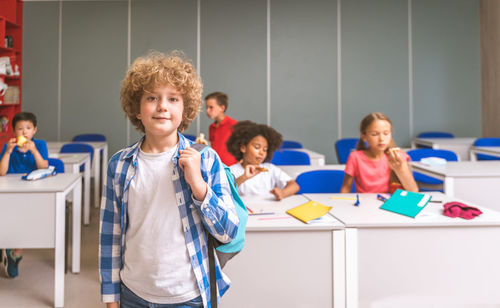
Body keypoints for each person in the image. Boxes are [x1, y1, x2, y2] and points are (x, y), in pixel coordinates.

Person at [99, 51, 239, 308]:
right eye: (152, 98)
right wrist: (111, 298)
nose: (162, 105)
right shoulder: (119, 164)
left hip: (189, 295)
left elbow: (229, 232)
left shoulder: (205, 159)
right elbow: (110, 235)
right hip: (133, 294)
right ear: (137, 110)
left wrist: (198, 185)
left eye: (173, 99)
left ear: (185, 109)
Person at [0, 111, 49, 278]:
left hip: (32, 193)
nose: (24, 132)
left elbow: (43, 167)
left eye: (28, 128)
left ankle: (14, 252)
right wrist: (7, 152)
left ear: (34, 130)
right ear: (14, 131)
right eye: (20, 129)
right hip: (10, 192)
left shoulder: (40, 144)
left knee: (29, 220)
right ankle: (6, 244)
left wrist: (34, 151)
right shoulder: (9, 147)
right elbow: (2, 172)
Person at [340, 112, 418, 193]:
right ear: (364, 137)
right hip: (365, 204)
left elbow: (413, 191)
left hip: (389, 203)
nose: (381, 139)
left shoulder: (398, 157)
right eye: (374, 134)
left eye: (386, 133)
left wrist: (400, 169)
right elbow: (345, 188)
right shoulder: (355, 157)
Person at [227, 120, 300, 200]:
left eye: (265, 150)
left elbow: (294, 186)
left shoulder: (270, 169)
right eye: (257, 147)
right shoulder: (231, 170)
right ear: (243, 148)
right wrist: (243, 177)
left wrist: (282, 193)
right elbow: (224, 191)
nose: (261, 152)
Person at [205, 92, 237, 166]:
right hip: (216, 166)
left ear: (222, 108)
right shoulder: (211, 127)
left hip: (230, 167)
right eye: (206, 107)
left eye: (211, 107)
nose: (207, 111)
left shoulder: (233, 124)